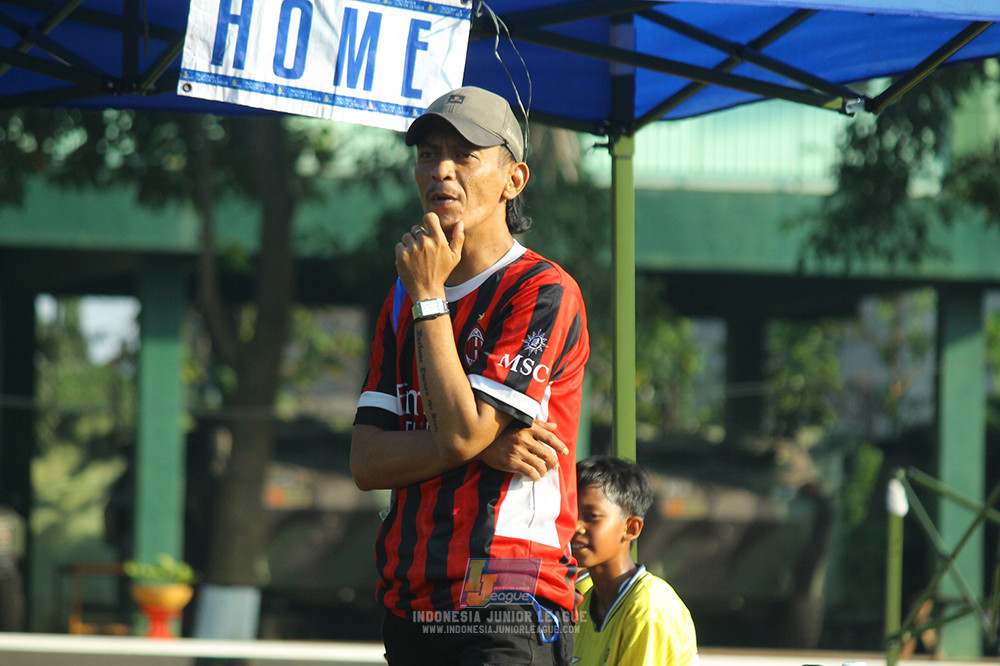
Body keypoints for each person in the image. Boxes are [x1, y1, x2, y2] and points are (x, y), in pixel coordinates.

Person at [351, 86, 590, 666]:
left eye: (465, 155)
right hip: (411, 599)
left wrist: (430, 299)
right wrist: (482, 445)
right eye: (429, 154)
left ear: (514, 179)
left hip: (507, 591)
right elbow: (366, 463)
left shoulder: (543, 290)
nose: (442, 170)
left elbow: (459, 434)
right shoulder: (401, 299)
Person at [572, 456, 699, 666]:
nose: (576, 527)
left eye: (592, 516)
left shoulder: (649, 610)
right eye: (571, 514)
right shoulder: (581, 604)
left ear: (631, 528)